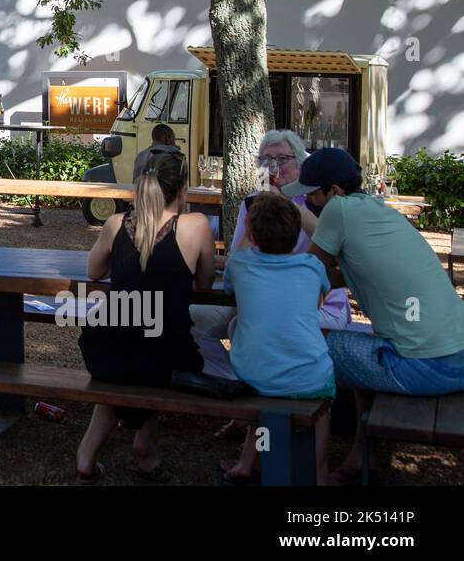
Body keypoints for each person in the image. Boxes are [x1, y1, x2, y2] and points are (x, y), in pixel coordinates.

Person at [287, 148, 464, 484]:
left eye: (313, 195)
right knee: (360, 349)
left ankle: (295, 455)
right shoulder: (378, 211)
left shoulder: (337, 210)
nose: (309, 202)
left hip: (425, 367)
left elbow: (308, 274)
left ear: (335, 191)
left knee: (306, 345)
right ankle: (360, 453)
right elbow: (345, 274)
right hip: (456, 357)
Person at [75, 152, 216, 483]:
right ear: (182, 190)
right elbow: (205, 283)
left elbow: (93, 271)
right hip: (163, 351)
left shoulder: (116, 224)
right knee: (161, 361)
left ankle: (87, 454)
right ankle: (145, 442)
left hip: (106, 346)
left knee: (126, 368)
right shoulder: (196, 226)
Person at [192, 130, 350, 386]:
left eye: (283, 159)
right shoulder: (252, 202)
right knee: (193, 317)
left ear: (300, 163)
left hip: (318, 306)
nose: (274, 167)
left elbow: (332, 246)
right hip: (258, 296)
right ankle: (237, 381)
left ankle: (265, 386)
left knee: (246, 324)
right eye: (266, 160)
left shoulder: (316, 201)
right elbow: (239, 259)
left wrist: (288, 201)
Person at [219, 194, 334, 484]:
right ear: (296, 233)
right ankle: (318, 473)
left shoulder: (239, 264)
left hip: (255, 375)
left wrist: (248, 230)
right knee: (322, 410)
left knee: (256, 359)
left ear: (252, 233)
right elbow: (319, 302)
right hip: (311, 377)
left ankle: (249, 461)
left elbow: (230, 288)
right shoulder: (312, 266)